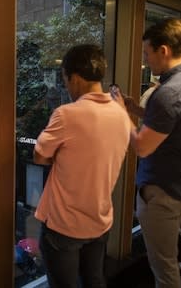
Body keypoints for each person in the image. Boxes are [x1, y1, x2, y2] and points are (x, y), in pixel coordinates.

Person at [112, 18, 181, 288]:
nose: (145, 60)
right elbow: (177, 124)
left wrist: (120, 113)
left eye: (146, 53)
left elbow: (141, 146)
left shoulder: (169, 92)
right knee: (167, 255)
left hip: (163, 193)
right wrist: (135, 110)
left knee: (163, 267)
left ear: (163, 51)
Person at [33, 44, 131, 288]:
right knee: (94, 280)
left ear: (75, 78)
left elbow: (39, 156)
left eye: (65, 80)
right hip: (100, 219)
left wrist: (62, 157)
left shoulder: (67, 114)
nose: (66, 87)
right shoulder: (121, 114)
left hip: (64, 225)